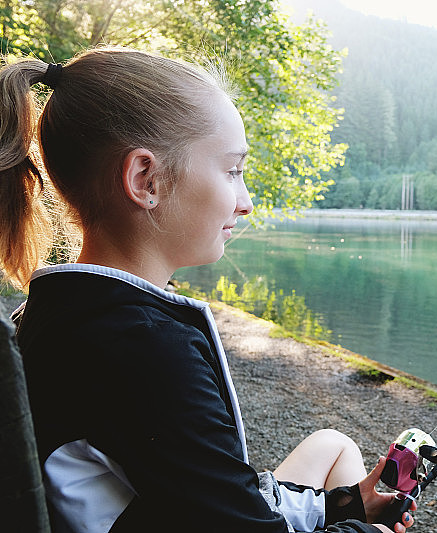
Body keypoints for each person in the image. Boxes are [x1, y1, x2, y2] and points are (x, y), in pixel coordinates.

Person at [0, 47, 415, 533]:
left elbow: (208, 492)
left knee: (333, 445)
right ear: (145, 179)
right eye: (233, 171)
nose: (247, 202)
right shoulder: (146, 350)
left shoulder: (60, 312)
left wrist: (342, 509)